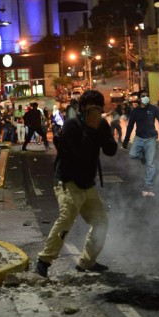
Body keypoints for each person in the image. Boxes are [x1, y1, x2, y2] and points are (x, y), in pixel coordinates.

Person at [35, 90, 117, 277]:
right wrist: (90, 130)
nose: (95, 110)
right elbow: (77, 154)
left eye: (98, 107)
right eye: (92, 106)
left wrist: (101, 131)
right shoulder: (73, 126)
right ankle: (44, 261)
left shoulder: (101, 125)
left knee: (101, 221)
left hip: (87, 183)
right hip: (68, 180)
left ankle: (87, 262)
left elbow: (111, 150)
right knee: (66, 217)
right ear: (82, 108)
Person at [122, 91, 159, 197]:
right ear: (139, 99)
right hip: (139, 138)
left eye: (147, 96)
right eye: (143, 96)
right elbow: (130, 126)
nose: (146, 97)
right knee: (132, 154)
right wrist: (126, 140)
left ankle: (148, 185)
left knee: (150, 163)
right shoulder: (135, 111)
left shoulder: (153, 109)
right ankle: (143, 157)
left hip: (151, 138)